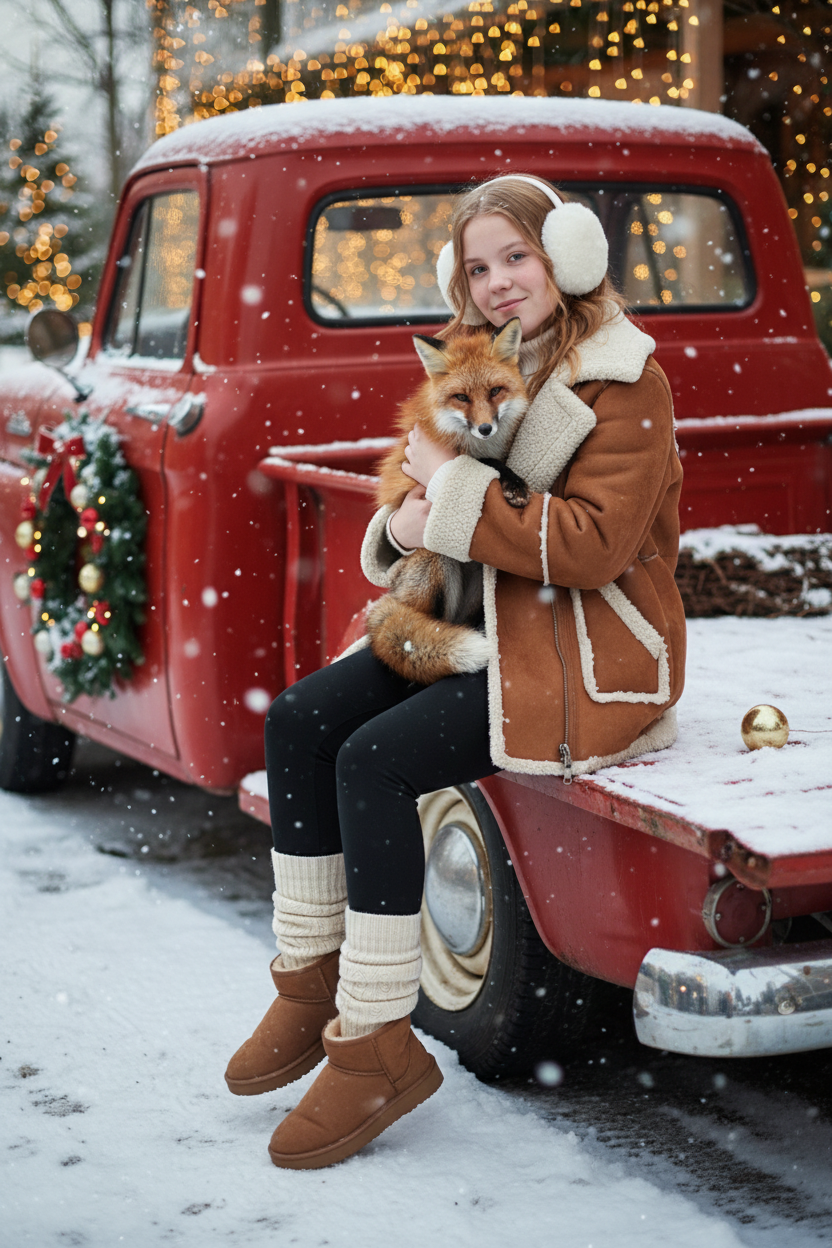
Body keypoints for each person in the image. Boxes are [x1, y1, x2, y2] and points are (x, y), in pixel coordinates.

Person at [224, 174, 686, 1171]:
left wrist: (450, 484)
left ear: (563, 254)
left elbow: (594, 545)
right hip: (465, 621)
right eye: (477, 267)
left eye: (515, 257)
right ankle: (311, 980)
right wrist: (399, 521)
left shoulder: (623, 377)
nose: (497, 282)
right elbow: (409, 499)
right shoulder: (471, 362)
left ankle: (378, 1041)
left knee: (374, 763)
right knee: (303, 719)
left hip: (582, 651)